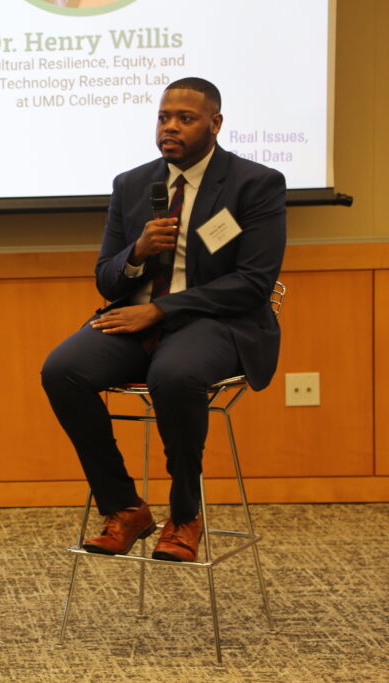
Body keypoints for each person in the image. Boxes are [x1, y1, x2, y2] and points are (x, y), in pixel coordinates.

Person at [40, 77, 286, 562]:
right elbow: (107, 279)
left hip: (218, 323)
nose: (170, 128)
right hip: (140, 320)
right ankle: (124, 506)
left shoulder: (255, 184)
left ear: (215, 124)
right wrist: (137, 253)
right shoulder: (134, 184)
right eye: (163, 117)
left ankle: (185, 514)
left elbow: (253, 283)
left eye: (185, 119)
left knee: (174, 375)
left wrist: (162, 308)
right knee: (62, 370)